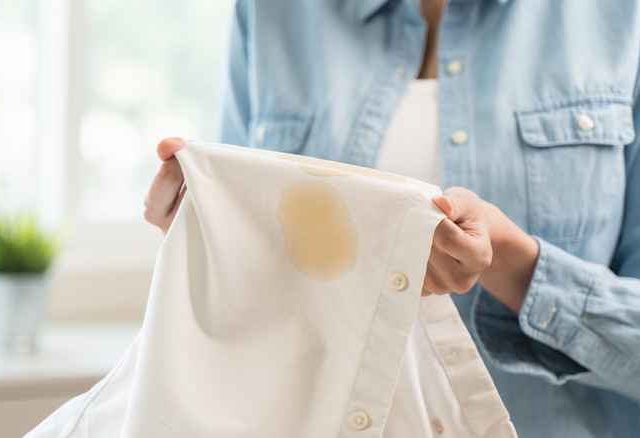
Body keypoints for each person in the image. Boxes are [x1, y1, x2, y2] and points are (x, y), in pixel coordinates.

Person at [144, 0, 640, 436]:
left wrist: (508, 261)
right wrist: (209, 239)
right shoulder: (272, 10)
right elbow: (253, 297)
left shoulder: (621, 18)